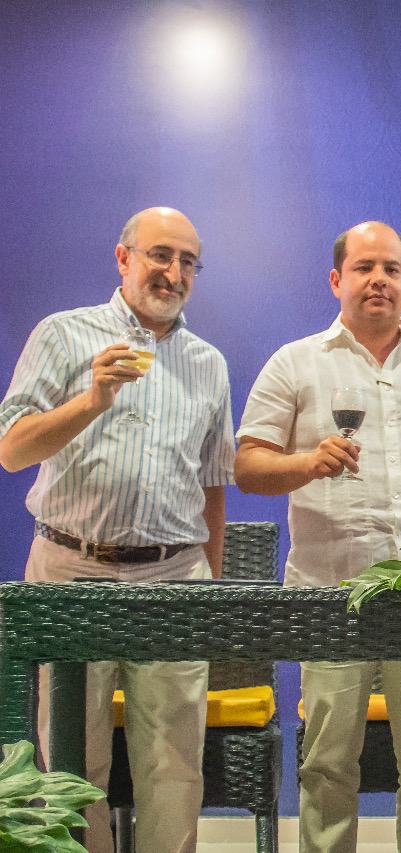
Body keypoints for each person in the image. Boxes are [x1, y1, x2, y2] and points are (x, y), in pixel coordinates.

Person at [235, 221, 401, 853]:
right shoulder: (296, 362)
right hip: (330, 596)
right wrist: (306, 463)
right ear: (336, 279)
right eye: (366, 267)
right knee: (327, 764)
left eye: (392, 269)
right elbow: (248, 465)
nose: (380, 280)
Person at [0, 206, 234, 853]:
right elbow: (12, 448)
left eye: (188, 260)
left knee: (174, 765)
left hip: (174, 577)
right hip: (70, 569)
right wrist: (90, 400)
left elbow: (213, 487)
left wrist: (208, 587)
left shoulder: (207, 363)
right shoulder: (63, 335)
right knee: (72, 765)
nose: (175, 271)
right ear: (123, 257)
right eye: (161, 254)